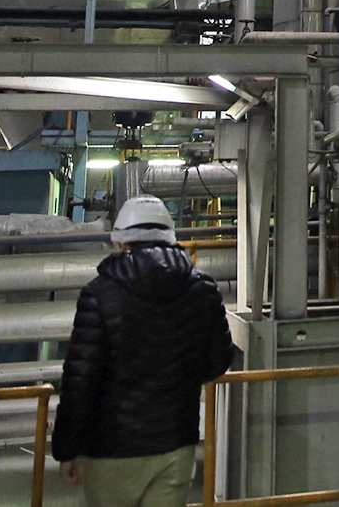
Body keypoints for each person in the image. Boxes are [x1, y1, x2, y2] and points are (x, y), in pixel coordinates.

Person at [52, 196, 233, 506]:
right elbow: (218, 361)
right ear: (170, 237)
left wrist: (66, 449)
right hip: (176, 442)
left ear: (121, 242)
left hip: (111, 449)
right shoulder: (202, 288)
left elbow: (81, 380)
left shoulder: (99, 293)